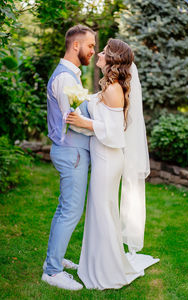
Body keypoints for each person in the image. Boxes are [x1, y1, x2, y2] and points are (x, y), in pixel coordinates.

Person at [66, 38, 159, 289]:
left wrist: (83, 123)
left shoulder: (113, 89)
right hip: (103, 157)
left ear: (112, 60)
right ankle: (97, 263)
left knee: (103, 213)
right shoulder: (109, 85)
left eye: (104, 52)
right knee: (100, 212)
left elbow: (115, 133)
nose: (98, 54)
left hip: (108, 159)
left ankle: (107, 272)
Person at [42, 25, 95, 290]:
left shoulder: (71, 75)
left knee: (66, 209)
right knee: (71, 211)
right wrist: (99, 126)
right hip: (70, 150)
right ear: (76, 45)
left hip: (72, 150)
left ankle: (57, 259)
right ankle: (52, 271)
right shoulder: (64, 78)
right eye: (91, 46)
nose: (93, 51)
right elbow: (72, 122)